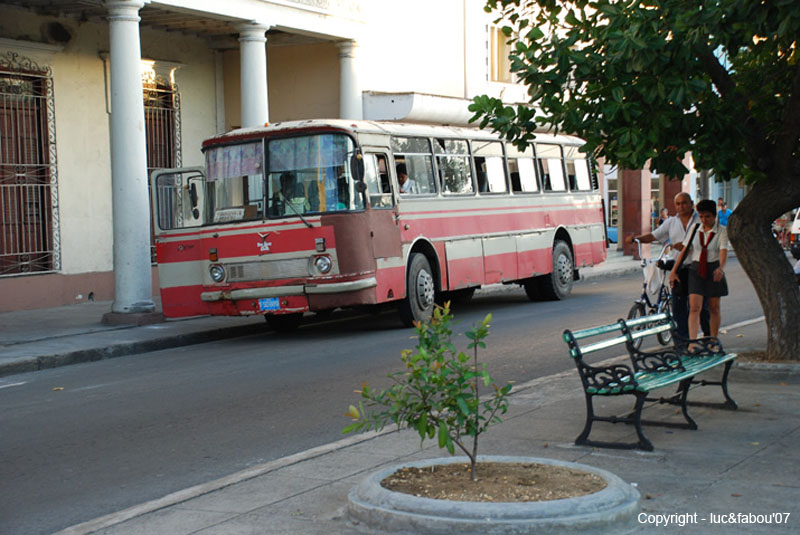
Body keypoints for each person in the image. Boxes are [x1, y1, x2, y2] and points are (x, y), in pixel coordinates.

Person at [626, 192, 710, 341]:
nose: (681, 206)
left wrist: (687, 247)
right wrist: (635, 239)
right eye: (678, 204)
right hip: (678, 268)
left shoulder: (701, 219)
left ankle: (708, 338)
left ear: (691, 203)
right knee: (678, 307)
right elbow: (654, 236)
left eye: (684, 203)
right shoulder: (671, 222)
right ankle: (682, 343)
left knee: (700, 307)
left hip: (698, 267)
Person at [669, 199, 728, 348]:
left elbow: (723, 252)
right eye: (701, 216)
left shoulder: (721, 231)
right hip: (696, 270)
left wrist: (720, 268)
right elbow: (685, 250)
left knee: (714, 307)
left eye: (707, 216)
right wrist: (674, 271)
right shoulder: (695, 229)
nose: (704, 220)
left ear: (714, 216)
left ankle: (713, 340)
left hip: (713, 269)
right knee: (694, 307)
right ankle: (692, 342)